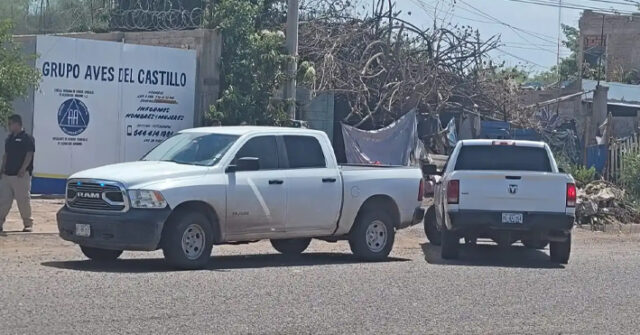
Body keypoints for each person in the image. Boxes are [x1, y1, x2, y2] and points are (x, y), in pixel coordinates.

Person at [0, 114, 35, 234]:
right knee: (3, 201)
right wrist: (2, 169)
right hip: (7, 175)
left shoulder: (27, 138)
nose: (9, 126)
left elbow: (29, 154)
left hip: (20, 175)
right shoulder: (9, 139)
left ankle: (27, 224)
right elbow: (6, 155)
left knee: (23, 200)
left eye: (10, 124)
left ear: (17, 124)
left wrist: (23, 169)